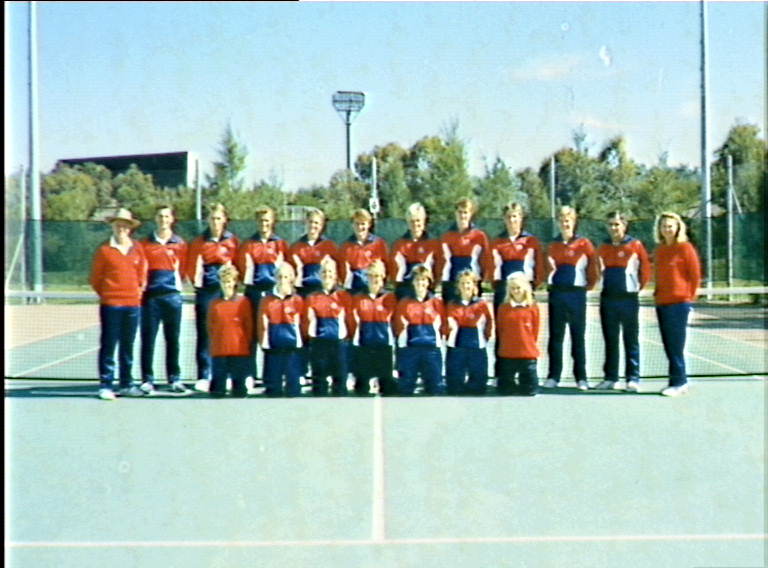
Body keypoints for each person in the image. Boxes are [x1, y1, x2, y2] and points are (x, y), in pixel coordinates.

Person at [89, 207, 148, 400]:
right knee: (109, 344)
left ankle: (126, 384)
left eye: (125, 225)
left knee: (128, 345)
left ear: (130, 228)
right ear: (113, 226)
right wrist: (108, 294)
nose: (121, 228)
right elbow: (95, 279)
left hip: (133, 305)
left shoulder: (138, 248)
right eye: (118, 225)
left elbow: (142, 275)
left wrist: (137, 292)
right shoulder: (104, 250)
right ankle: (106, 385)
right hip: (111, 305)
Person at [594, 212, 651, 392]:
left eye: (617, 224)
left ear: (624, 226)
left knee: (630, 339)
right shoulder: (602, 247)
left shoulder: (635, 245)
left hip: (628, 300)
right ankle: (610, 378)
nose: (614, 228)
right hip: (608, 299)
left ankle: (632, 378)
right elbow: (596, 269)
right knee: (610, 339)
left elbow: (646, 270)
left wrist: (634, 288)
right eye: (610, 224)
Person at [543, 206, 599, 391]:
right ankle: (553, 376)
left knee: (578, 338)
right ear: (558, 222)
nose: (565, 223)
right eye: (562, 220)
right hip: (557, 295)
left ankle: (581, 378)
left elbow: (593, 271)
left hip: (576, 295)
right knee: (556, 337)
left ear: (574, 222)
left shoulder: (585, 244)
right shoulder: (552, 245)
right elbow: (545, 270)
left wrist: (584, 288)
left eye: (569, 220)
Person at [186, 203, 240, 393]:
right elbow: (193, 270)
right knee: (206, 334)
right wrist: (204, 283)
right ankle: (204, 375)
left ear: (225, 220)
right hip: (207, 294)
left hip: (227, 293)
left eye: (219, 218)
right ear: (208, 220)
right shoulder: (199, 242)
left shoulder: (233, 241)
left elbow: (237, 267)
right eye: (212, 218)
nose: (216, 222)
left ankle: (229, 375)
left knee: (229, 333)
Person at [139, 205, 189, 395]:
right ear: (155, 218)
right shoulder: (144, 244)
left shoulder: (180, 244)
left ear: (172, 219)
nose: (163, 219)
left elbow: (183, 271)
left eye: (166, 216)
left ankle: (174, 379)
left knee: (173, 340)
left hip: (172, 298)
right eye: (160, 216)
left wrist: (174, 287)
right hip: (151, 298)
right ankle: (147, 380)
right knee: (148, 340)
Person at [236, 206, 288, 385]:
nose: (264, 224)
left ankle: (272, 374)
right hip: (254, 292)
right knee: (252, 333)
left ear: (272, 222)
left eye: (267, 220)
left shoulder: (280, 244)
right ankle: (250, 373)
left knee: (273, 332)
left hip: (274, 294)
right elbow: (243, 271)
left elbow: (284, 270)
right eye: (261, 221)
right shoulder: (248, 244)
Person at [653, 211, 701, 397]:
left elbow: (695, 275)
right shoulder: (659, 249)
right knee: (668, 344)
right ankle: (674, 381)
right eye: (664, 226)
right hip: (662, 303)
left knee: (676, 344)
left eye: (670, 226)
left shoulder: (686, 248)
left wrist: (689, 299)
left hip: (679, 304)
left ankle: (680, 382)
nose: (667, 229)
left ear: (678, 227)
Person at [393, 264, 446, 396]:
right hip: (410, 350)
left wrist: (438, 341)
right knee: (406, 386)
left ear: (428, 282)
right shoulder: (404, 303)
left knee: (435, 386)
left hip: (432, 350)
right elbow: (399, 326)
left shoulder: (436, 303)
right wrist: (403, 349)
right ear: (413, 283)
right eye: (417, 280)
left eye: (424, 280)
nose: (420, 283)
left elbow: (444, 325)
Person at [303, 258, 352, 396]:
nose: (327, 275)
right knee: (319, 382)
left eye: (330, 272)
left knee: (340, 380)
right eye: (324, 272)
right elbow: (306, 322)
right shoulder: (312, 297)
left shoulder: (344, 296)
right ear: (319, 275)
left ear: (336, 275)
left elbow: (350, 321)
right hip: (319, 344)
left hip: (339, 344)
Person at [349, 260, 397, 396]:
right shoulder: (358, 298)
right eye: (371, 276)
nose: (374, 279)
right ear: (366, 278)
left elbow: (395, 323)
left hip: (384, 346)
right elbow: (353, 323)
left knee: (387, 384)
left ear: (383, 277)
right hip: (365, 346)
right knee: (362, 385)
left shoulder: (390, 298)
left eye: (377, 276)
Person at [257, 262, 305, 397]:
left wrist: (301, 342)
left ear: (291, 278)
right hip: (273, 344)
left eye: (286, 277)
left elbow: (302, 323)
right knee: (273, 387)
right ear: (275, 278)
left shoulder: (297, 300)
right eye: (280, 277)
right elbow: (262, 323)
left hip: (292, 346)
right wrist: (264, 343)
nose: (283, 280)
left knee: (293, 387)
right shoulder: (266, 300)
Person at [444, 269, 494, 395]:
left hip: (477, 347)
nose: (466, 286)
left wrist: (483, 338)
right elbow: (446, 325)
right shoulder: (452, 304)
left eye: (468, 283)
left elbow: (489, 324)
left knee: (479, 387)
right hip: (456, 348)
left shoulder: (481, 305)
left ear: (474, 285)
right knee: (454, 387)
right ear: (458, 286)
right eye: (462, 283)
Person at [207, 264, 253, 398]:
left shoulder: (243, 302)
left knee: (239, 390)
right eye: (223, 281)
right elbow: (210, 326)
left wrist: (245, 343)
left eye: (229, 281)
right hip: (219, 349)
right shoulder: (214, 303)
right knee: (217, 391)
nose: (226, 285)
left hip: (238, 349)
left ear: (234, 282)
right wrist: (216, 343)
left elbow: (248, 326)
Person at [488, 202, 544, 312]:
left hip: (525, 291)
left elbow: (539, 266)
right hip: (503, 292)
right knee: (503, 326)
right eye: (508, 217)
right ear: (504, 219)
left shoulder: (531, 241)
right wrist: (499, 287)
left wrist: (531, 286)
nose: (511, 220)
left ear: (521, 218)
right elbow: (491, 268)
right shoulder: (497, 242)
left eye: (514, 216)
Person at [496, 272, 541, 396]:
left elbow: (535, 331)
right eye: (512, 288)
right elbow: (501, 329)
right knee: (505, 391)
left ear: (525, 288)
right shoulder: (503, 308)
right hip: (508, 354)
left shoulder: (533, 308)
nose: (516, 291)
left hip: (527, 354)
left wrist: (528, 345)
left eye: (518, 288)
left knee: (530, 391)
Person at [439, 197, 490, 305]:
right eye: (460, 212)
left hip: (471, 283)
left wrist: (481, 279)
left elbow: (486, 259)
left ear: (471, 214)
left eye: (465, 212)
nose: (462, 216)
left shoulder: (479, 236)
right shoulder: (447, 236)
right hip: (451, 282)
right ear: (455, 213)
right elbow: (441, 261)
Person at [389, 202, 441, 300]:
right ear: (407, 223)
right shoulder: (399, 244)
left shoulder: (434, 243)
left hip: (426, 292)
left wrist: (431, 286)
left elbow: (439, 269)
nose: (415, 224)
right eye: (412, 221)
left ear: (424, 221)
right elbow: (394, 272)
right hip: (405, 292)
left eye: (418, 220)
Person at [288, 208, 338, 298]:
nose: (312, 225)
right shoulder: (296, 246)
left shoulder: (329, 246)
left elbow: (337, 271)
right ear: (306, 222)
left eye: (316, 223)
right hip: (302, 291)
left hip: (322, 290)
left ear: (322, 225)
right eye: (310, 222)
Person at [338, 208, 389, 295]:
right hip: (355, 287)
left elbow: (386, 266)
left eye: (363, 224)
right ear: (352, 225)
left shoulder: (379, 243)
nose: (360, 227)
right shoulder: (346, 246)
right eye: (357, 224)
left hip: (374, 285)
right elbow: (343, 272)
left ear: (369, 224)